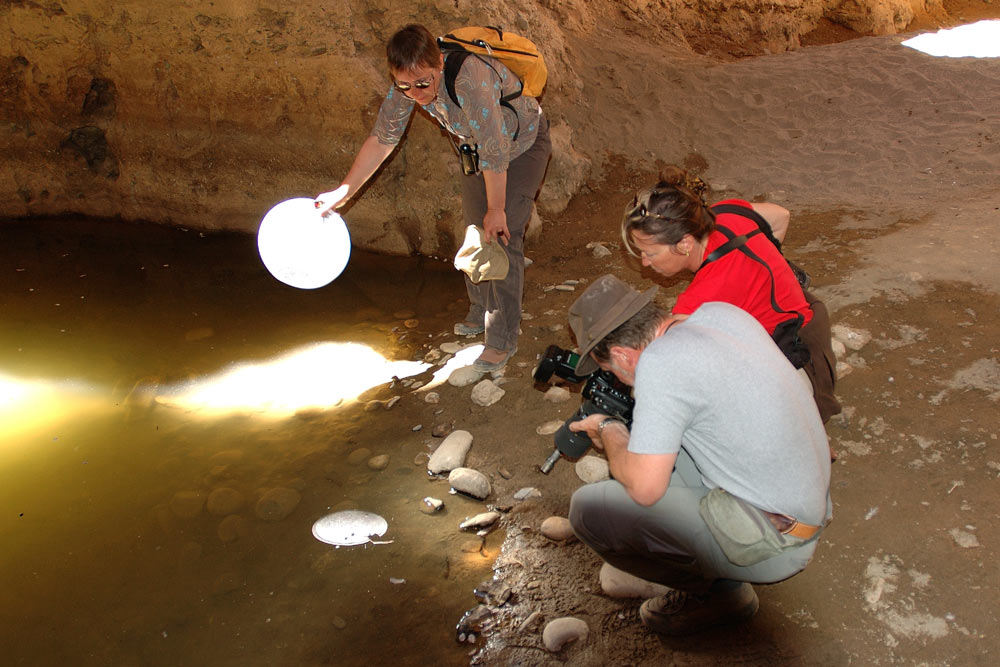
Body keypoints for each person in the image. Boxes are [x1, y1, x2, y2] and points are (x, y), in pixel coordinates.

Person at [563, 275, 832, 636]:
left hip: (780, 542)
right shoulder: (719, 314)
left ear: (624, 355)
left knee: (587, 511)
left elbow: (645, 489)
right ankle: (712, 562)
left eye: (612, 371)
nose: (619, 380)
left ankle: (719, 595)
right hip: (807, 503)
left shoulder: (660, 364)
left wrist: (609, 428)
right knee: (663, 450)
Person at [314, 24, 551, 372]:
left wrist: (497, 208)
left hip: (523, 145)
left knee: (502, 234)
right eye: (405, 85)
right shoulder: (408, 84)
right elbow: (382, 139)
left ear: (439, 62)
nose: (416, 93)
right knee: (476, 230)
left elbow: (495, 148)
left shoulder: (470, 78)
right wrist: (343, 191)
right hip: (479, 151)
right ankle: (480, 310)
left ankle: (501, 338)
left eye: (423, 83)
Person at [620, 167, 841, 424]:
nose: (645, 262)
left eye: (651, 253)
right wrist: (763, 266)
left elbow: (665, 362)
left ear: (685, 244)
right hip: (814, 333)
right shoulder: (724, 214)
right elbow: (781, 216)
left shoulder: (700, 298)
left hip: (797, 372)